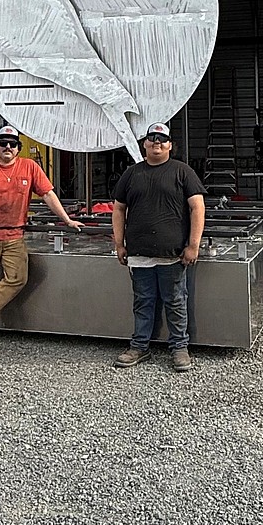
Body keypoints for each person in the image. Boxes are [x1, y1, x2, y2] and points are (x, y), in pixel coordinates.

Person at [0, 125, 82, 353]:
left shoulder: (30, 167)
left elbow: (48, 194)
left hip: (14, 235)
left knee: (18, 278)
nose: (8, 147)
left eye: (13, 144)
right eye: (3, 143)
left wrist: (67, 220)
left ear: (18, 148)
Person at [111, 122, 206, 372]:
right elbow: (118, 209)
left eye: (162, 139)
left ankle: (179, 348)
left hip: (172, 254)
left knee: (175, 301)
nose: (157, 143)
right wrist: (119, 243)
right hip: (139, 254)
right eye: (152, 138)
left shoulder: (183, 172)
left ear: (170, 145)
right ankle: (139, 346)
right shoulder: (132, 174)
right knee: (143, 301)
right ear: (144, 144)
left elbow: (197, 207)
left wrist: (193, 245)